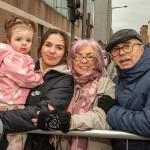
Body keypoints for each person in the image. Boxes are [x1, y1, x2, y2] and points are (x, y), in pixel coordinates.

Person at [35, 39, 116, 150]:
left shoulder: (106, 84)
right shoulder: (65, 82)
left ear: (98, 60)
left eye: (89, 56)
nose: (83, 61)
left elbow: (101, 120)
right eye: (78, 56)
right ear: (71, 60)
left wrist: (65, 121)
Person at [0, 28, 74, 150]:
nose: (52, 51)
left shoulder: (65, 80)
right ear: (40, 47)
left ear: (65, 53)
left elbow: (43, 111)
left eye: (59, 48)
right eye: (48, 45)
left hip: (36, 145)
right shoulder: (22, 69)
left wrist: (2, 119)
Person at [0, 15, 44, 150]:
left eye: (28, 40)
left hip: (11, 104)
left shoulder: (20, 57)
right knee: (15, 144)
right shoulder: (12, 57)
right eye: (18, 39)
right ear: (8, 40)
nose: (24, 43)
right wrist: (39, 77)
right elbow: (25, 78)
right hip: (8, 105)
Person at [105, 29, 150, 150]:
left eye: (127, 46)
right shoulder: (116, 80)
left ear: (142, 48)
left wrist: (111, 111)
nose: (122, 53)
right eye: (115, 49)